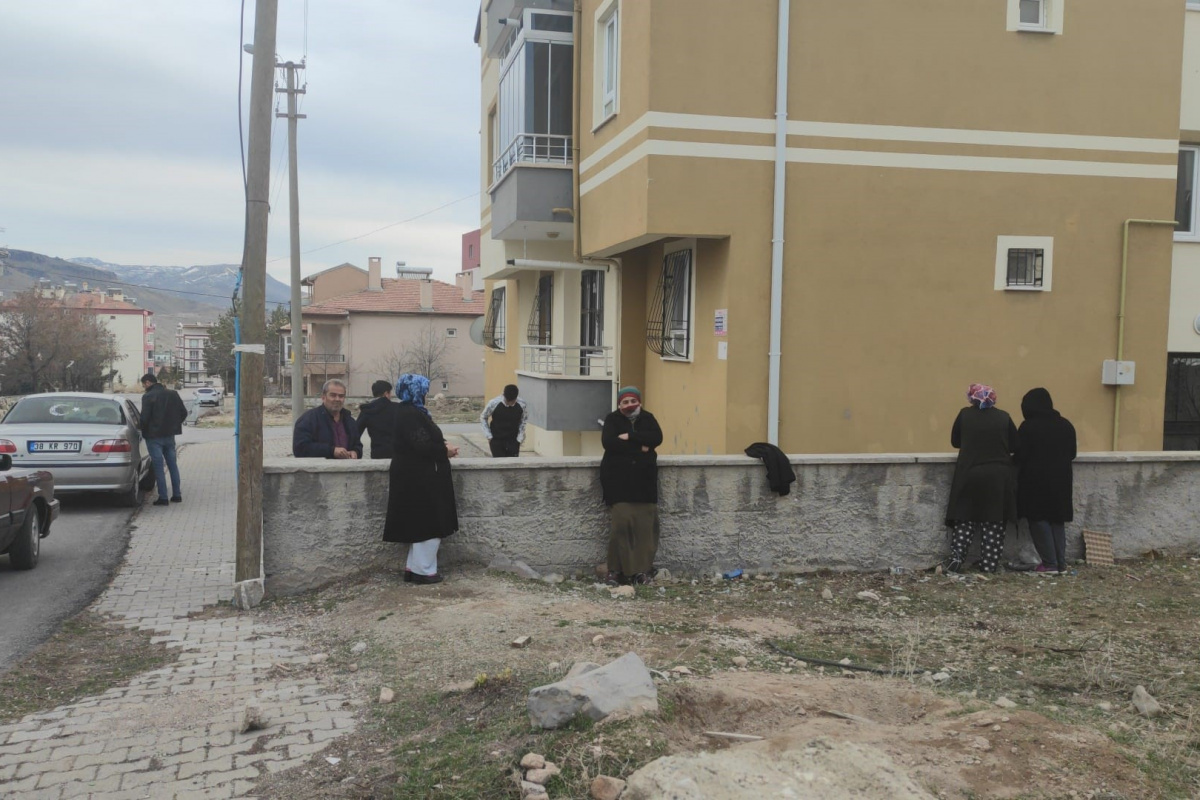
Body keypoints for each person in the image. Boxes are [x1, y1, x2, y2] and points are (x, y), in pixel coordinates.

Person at [382, 373, 460, 585]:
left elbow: (423, 439)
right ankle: (424, 571)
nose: (425, 395)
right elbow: (422, 444)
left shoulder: (411, 412)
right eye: (423, 391)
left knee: (419, 523)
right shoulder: (409, 414)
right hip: (417, 478)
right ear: (415, 392)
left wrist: (443, 446)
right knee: (429, 522)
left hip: (416, 476)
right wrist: (445, 451)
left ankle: (415, 567)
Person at [945, 383, 1018, 573]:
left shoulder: (964, 415)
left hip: (970, 473)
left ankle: (956, 558)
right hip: (998, 475)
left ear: (971, 397)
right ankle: (989, 564)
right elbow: (1015, 444)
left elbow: (955, 441)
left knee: (965, 516)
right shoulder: (1004, 417)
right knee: (993, 520)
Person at [600, 386, 663, 586]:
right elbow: (609, 443)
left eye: (632, 401)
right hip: (618, 483)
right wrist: (642, 447)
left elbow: (657, 439)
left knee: (645, 529)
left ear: (639, 402)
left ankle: (640, 572)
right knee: (621, 526)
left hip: (644, 485)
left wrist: (630, 437)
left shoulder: (648, 418)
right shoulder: (612, 419)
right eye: (625, 402)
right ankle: (615, 571)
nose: (629, 405)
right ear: (619, 404)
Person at [1015, 388, 1077, 574]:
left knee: (1039, 518)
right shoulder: (1066, 425)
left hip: (1035, 481)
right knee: (1057, 519)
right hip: (1061, 479)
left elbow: (1020, 455)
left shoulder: (1028, 427)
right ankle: (1060, 563)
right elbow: (1072, 453)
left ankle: (1049, 564)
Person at [140, 373, 189, 506]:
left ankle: (163, 497)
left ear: (148, 382)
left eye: (144, 384)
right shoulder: (173, 394)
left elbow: (144, 418)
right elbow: (183, 413)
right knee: (173, 465)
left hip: (153, 437)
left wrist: (141, 429)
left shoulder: (148, 396)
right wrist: (173, 425)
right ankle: (177, 495)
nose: (144, 387)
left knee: (158, 467)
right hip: (169, 436)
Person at [292, 379, 363, 459]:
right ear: (323, 397)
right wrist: (331, 451)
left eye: (341, 396)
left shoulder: (350, 421)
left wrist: (356, 452)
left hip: (347, 469)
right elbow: (300, 448)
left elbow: (358, 445)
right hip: (319, 470)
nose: (337, 399)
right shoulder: (308, 419)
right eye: (333, 395)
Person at [480, 383, 527, 458]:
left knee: (513, 465)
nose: (510, 404)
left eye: (512, 402)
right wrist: (489, 436)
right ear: (504, 396)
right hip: (496, 439)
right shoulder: (494, 403)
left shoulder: (522, 404)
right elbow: (483, 417)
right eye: (508, 402)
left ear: (516, 398)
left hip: (513, 440)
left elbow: (523, 421)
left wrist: (519, 439)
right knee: (499, 464)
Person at [357, 379, 398, 459]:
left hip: (377, 455)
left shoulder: (366, 410)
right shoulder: (397, 408)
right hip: (397, 455)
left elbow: (355, 433)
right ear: (386, 393)